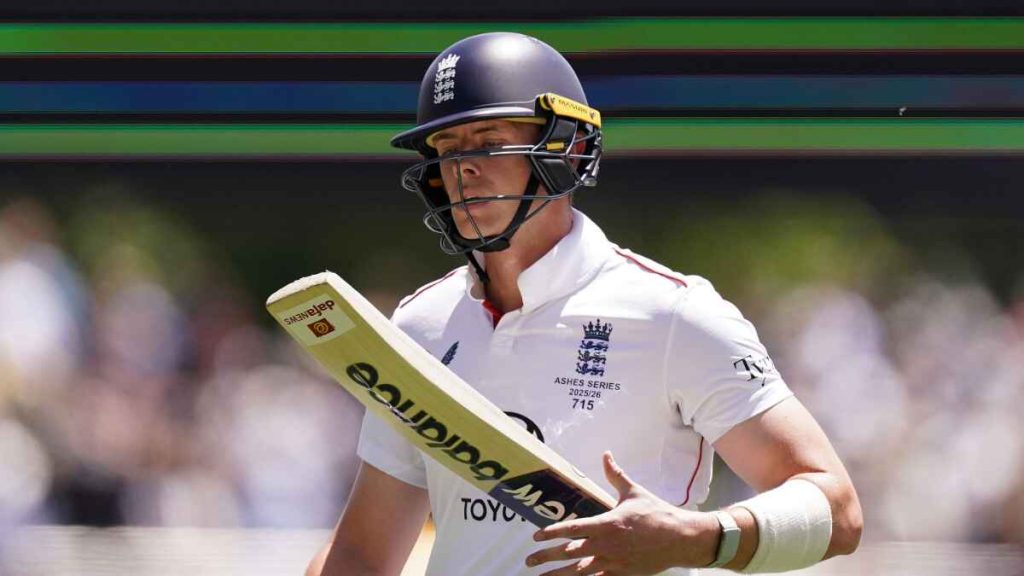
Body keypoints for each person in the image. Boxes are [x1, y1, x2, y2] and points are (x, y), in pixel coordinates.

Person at [308, 32, 862, 576]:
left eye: (488, 142)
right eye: (447, 151)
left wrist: (693, 539)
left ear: (566, 147)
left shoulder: (673, 313)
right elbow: (361, 556)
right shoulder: (420, 325)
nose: (462, 168)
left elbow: (836, 509)